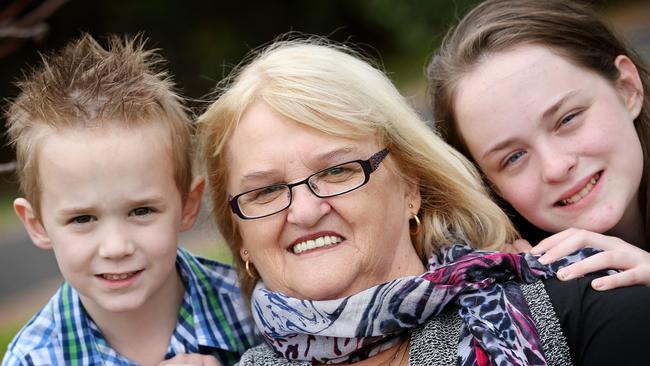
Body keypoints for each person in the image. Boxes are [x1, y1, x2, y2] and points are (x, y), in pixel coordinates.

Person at [197, 38, 650, 365]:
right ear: (240, 238)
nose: (304, 211)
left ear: (410, 186)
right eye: (266, 191)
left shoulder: (583, 303)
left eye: (337, 170)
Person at [1, 34, 257, 366]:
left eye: (141, 210)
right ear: (37, 225)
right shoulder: (31, 359)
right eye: (82, 219)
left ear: (188, 204)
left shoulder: (254, 312)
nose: (116, 247)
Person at [427, 0, 650, 292]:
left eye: (567, 119)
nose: (555, 166)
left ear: (627, 89)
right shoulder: (510, 291)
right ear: (492, 186)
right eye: (514, 157)